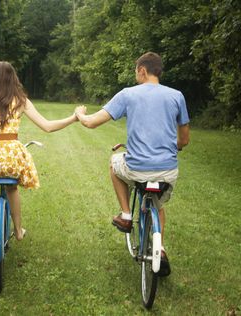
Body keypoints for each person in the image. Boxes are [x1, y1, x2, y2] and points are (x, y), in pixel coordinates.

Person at [74, 52, 190, 276]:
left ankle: (126, 214)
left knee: (114, 163)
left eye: (136, 72)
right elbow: (184, 140)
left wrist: (80, 114)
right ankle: (161, 249)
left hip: (136, 168)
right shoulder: (177, 96)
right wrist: (170, 147)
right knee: (157, 204)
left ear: (143, 71)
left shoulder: (128, 94)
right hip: (167, 170)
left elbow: (90, 123)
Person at [0, 61, 78, 248]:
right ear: (14, 79)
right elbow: (47, 126)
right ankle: (18, 231)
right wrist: (74, 117)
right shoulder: (21, 101)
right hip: (12, 157)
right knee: (12, 188)